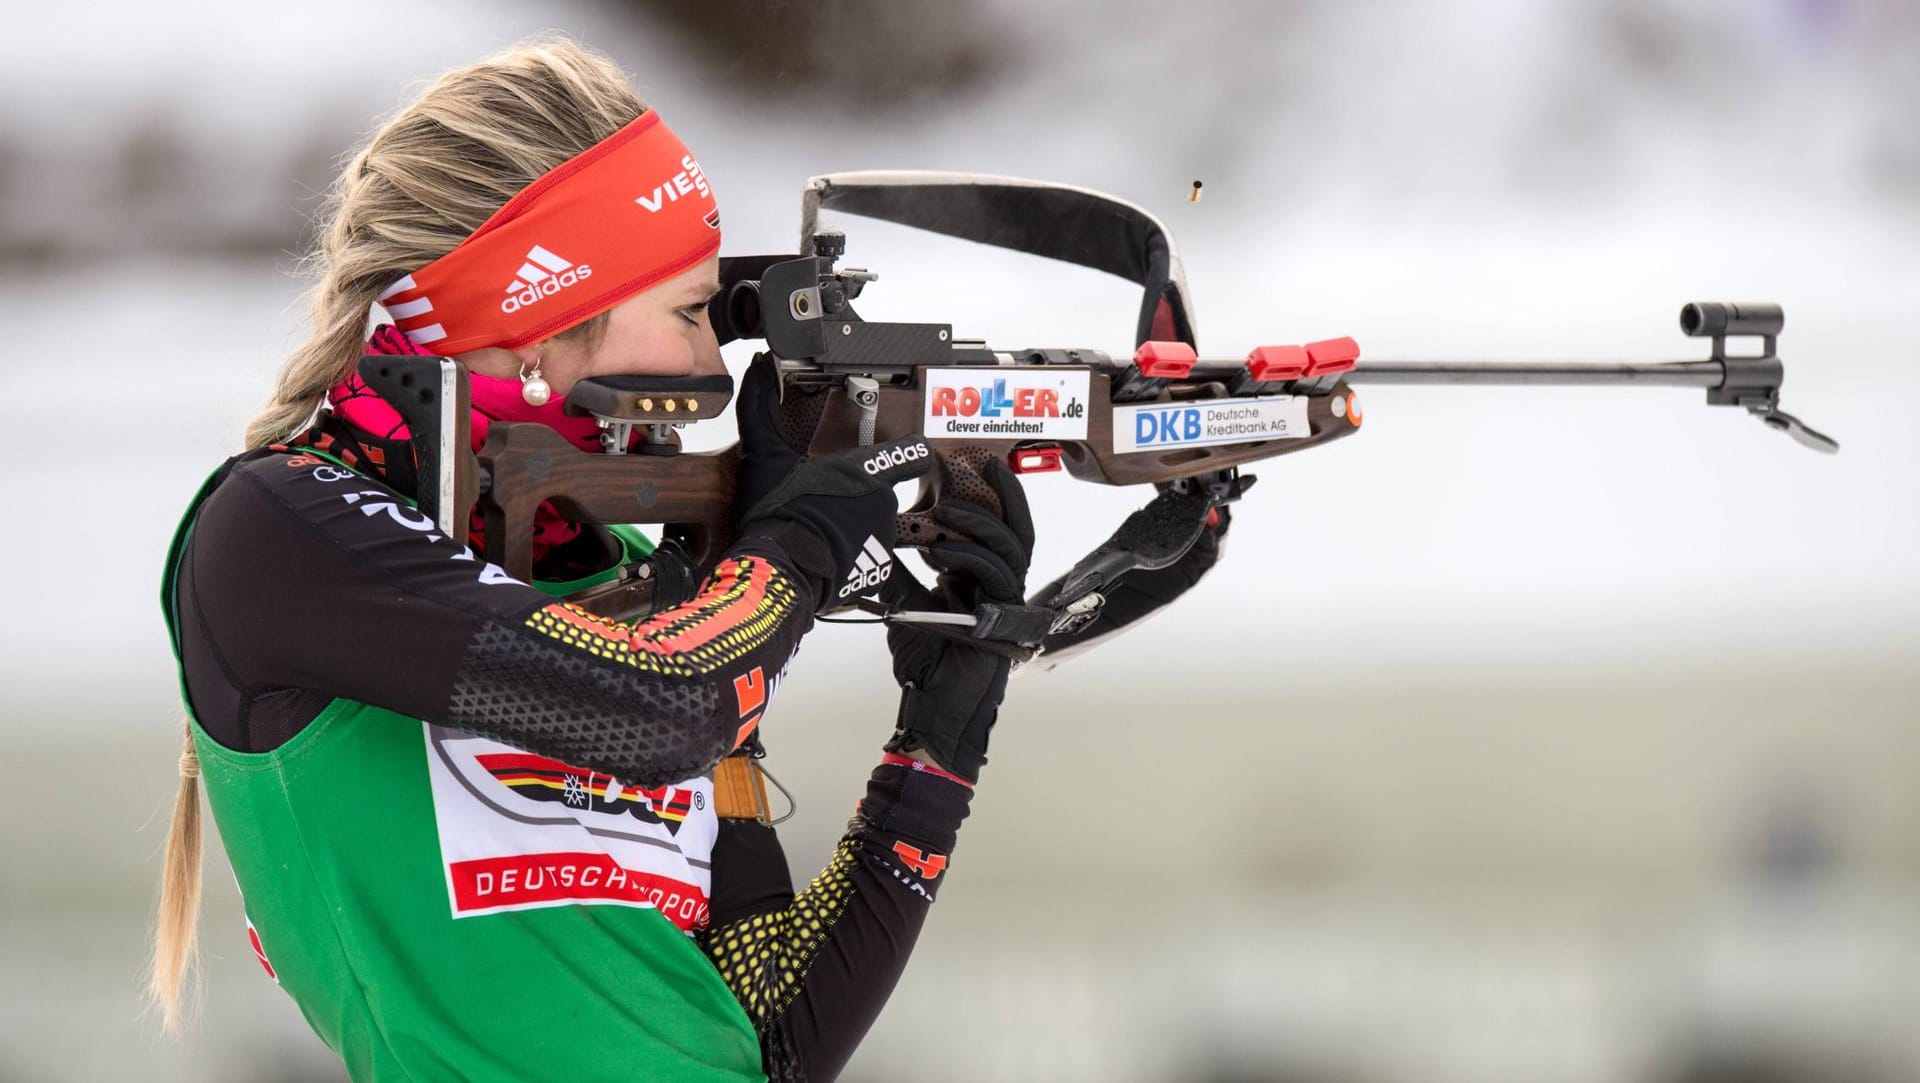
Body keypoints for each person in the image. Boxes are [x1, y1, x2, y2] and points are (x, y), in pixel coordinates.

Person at [150, 36, 1039, 1082]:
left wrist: (941, 731)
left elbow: (769, 1036)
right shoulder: (280, 532)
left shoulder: (629, 581)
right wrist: (804, 529)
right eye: (688, 311)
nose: (714, 362)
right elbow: (662, 710)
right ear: (537, 317)